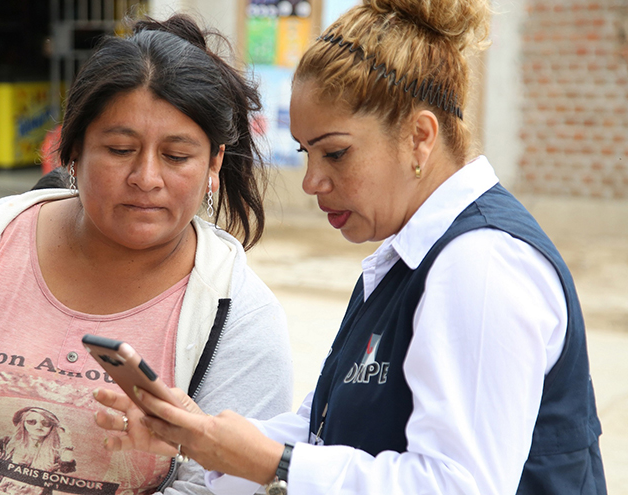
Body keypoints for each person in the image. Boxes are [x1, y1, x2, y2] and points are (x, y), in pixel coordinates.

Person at [92, 1, 607, 494]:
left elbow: (458, 485)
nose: (312, 181)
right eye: (305, 153)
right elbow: (322, 429)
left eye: (336, 153)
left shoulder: (482, 263)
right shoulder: (409, 260)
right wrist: (198, 436)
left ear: (419, 137)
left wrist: (271, 463)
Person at [0, 14, 293, 495]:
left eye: (176, 156)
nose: (146, 177)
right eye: (120, 148)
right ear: (71, 149)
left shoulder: (237, 313)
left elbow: (224, 481)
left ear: (213, 162)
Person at [0, 407, 75, 494]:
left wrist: (66, 439)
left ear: (52, 426)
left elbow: (66, 468)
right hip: (2, 490)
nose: (39, 426)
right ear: (23, 423)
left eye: (46, 423)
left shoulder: (56, 449)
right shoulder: (6, 442)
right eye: (32, 422)